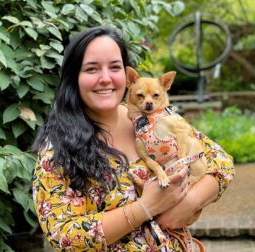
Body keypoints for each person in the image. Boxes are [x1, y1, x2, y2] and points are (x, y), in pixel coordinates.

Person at [32, 25, 235, 251]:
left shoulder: (151, 119)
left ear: (127, 77)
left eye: (115, 67)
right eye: (91, 69)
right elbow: (63, 234)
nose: (106, 78)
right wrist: (145, 208)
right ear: (73, 77)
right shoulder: (58, 146)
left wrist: (187, 203)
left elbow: (220, 161)